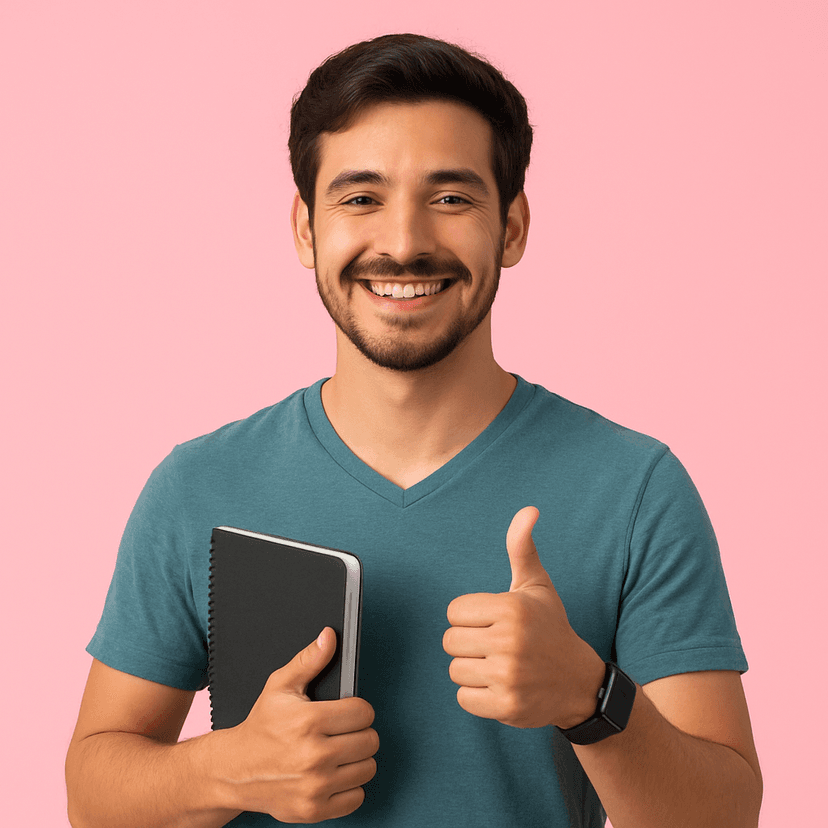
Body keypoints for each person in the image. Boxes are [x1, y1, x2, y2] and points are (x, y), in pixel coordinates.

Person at [65, 32, 763, 828]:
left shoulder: (636, 490)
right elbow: (91, 792)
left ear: (512, 226)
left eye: (451, 197)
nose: (402, 243)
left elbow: (726, 814)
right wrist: (222, 771)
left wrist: (587, 696)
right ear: (305, 228)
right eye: (361, 198)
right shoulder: (197, 486)